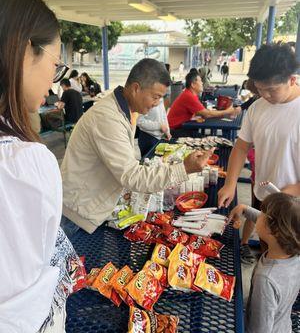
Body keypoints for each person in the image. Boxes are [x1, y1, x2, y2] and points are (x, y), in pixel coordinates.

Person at [0, 0, 80, 333]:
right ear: (24, 51)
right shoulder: (22, 164)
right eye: (56, 64)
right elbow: (22, 303)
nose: (52, 82)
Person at [61, 59, 213, 237]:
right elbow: (132, 176)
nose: (158, 103)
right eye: (155, 96)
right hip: (77, 215)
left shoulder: (126, 110)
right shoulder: (107, 118)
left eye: (161, 98)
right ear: (135, 88)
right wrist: (184, 168)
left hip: (94, 208)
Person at [218, 44, 300, 245]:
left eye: (271, 90)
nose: (265, 95)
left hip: (294, 206)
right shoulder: (257, 108)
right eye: (260, 89)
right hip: (265, 196)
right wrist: (230, 184)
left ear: (292, 79)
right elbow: (241, 147)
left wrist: (297, 188)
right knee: (267, 251)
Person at [229, 193, 300, 333]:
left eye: (263, 213)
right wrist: (245, 209)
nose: (259, 215)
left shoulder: (266, 280)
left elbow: (259, 329)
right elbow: (273, 224)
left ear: (276, 232)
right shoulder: (294, 252)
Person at [167, 71, 236, 137]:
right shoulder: (189, 96)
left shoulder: (190, 94)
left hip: (181, 127)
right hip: (175, 131)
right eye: (200, 81)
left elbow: (202, 113)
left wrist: (207, 113)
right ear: (193, 84)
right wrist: (227, 111)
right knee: (207, 141)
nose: (202, 83)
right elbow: (207, 114)